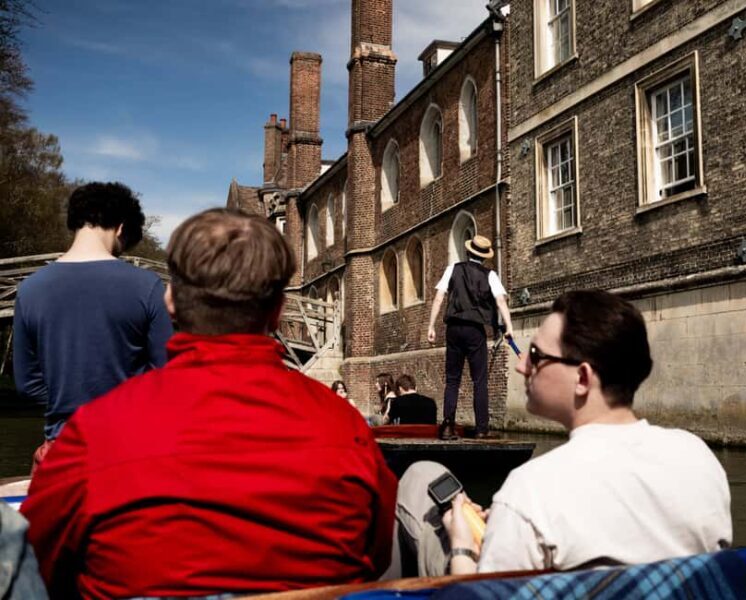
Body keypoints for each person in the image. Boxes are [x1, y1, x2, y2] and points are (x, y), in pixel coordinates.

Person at [21, 209, 397, 598]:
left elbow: (37, 563)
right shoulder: (346, 427)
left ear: (170, 300)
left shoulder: (95, 429)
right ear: (279, 311)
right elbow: (376, 554)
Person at [400, 290, 732, 576]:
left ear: (583, 378)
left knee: (420, 477)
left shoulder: (530, 490)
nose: (521, 366)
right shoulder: (698, 457)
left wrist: (462, 546)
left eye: (535, 356)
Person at [13, 182, 173, 467]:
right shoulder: (146, 286)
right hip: (129, 448)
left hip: (63, 448)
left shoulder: (29, 289)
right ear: (121, 229)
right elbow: (164, 374)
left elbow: (27, 383)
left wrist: (69, 399)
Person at [427, 235, 514, 439]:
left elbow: (439, 297)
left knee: (452, 380)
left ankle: (448, 426)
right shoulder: (490, 275)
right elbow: (501, 301)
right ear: (484, 257)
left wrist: (431, 326)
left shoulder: (453, 269)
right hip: (475, 331)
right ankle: (482, 428)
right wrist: (508, 326)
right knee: (480, 380)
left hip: (454, 328)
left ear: (468, 252)